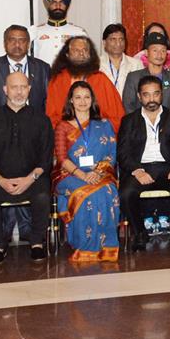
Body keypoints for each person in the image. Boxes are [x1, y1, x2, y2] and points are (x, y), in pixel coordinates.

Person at [0, 71, 54, 263]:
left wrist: (29, 179)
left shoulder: (42, 120)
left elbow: (46, 159)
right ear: (5, 90)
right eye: (14, 87)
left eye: (23, 87)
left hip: (33, 178)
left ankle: (37, 242)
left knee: (43, 196)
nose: (19, 92)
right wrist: (0, 180)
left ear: (29, 90)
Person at [117, 75, 170, 257]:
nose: (151, 99)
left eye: (156, 94)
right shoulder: (129, 120)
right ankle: (140, 232)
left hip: (168, 168)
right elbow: (123, 153)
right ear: (139, 96)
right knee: (126, 193)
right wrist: (137, 170)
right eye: (146, 95)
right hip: (141, 168)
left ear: (162, 95)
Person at [53, 80, 121, 262]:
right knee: (87, 194)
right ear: (71, 101)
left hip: (100, 173)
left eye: (86, 97)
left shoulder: (104, 125)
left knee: (107, 191)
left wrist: (97, 173)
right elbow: (61, 158)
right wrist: (83, 175)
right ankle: (85, 247)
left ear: (92, 100)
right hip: (70, 174)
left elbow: (111, 153)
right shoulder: (63, 126)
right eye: (78, 97)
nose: (82, 101)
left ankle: (107, 248)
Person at [45, 36, 125, 131]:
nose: (81, 53)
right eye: (76, 50)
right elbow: (51, 118)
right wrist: (71, 126)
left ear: (90, 54)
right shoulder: (58, 81)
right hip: (66, 137)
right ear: (67, 54)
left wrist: (94, 126)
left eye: (85, 50)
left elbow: (118, 117)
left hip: (98, 135)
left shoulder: (101, 79)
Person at [0, 24, 51, 119]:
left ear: (28, 44)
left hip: (34, 127)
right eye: (12, 40)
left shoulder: (43, 68)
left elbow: (49, 103)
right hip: (0, 127)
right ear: (4, 43)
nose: (17, 44)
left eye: (22, 40)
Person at [29, 0, 89, 64]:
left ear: (67, 5)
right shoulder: (35, 32)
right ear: (47, 5)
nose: (58, 5)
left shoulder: (79, 33)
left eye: (61, 2)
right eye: (53, 2)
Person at [122, 32, 170, 113]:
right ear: (146, 52)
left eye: (163, 51)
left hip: (169, 124)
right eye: (155, 50)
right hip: (140, 124)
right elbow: (128, 106)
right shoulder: (134, 78)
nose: (159, 55)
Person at [101, 23, 143, 99]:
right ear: (104, 43)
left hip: (129, 109)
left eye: (121, 39)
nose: (118, 43)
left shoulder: (136, 64)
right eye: (113, 39)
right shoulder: (96, 65)